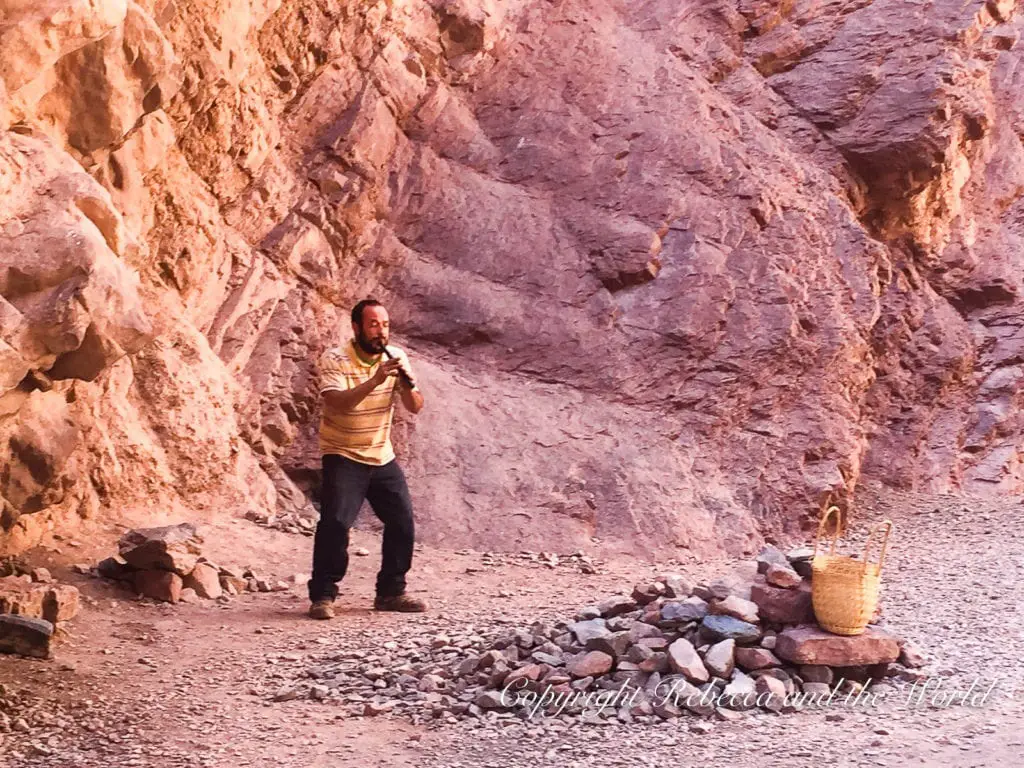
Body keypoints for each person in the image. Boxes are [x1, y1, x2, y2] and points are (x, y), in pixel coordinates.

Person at [307, 298, 426, 618]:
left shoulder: (397, 356)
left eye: (385, 325)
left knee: (402, 522)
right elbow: (338, 404)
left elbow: (415, 406)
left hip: (380, 453)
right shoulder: (335, 358)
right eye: (373, 325)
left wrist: (405, 387)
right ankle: (323, 596)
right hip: (343, 453)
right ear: (356, 328)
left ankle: (390, 592)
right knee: (335, 523)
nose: (380, 332)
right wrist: (375, 380)